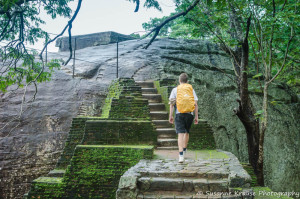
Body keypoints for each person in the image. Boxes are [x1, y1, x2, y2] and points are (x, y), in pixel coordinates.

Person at [169, 73, 198, 163]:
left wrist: (170, 116)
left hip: (179, 114)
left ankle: (181, 155)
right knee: (186, 132)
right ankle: (184, 150)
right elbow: (195, 104)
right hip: (189, 114)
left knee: (180, 134)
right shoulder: (191, 89)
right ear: (187, 81)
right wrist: (196, 116)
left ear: (179, 81)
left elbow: (171, 104)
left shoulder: (175, 89)